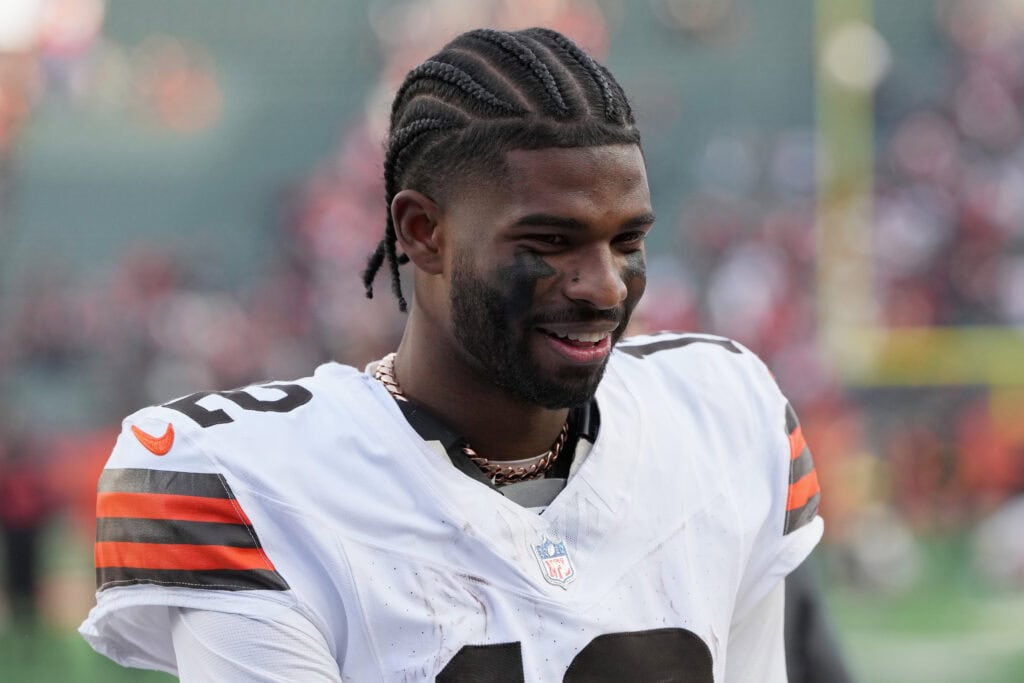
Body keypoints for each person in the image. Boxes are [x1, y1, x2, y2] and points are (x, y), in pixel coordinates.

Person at [80, 27, 823, 681]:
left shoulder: (724, 412)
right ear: (422, 232)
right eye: (549, 243)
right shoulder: (251, 482)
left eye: (627, 240)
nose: (603, 285)